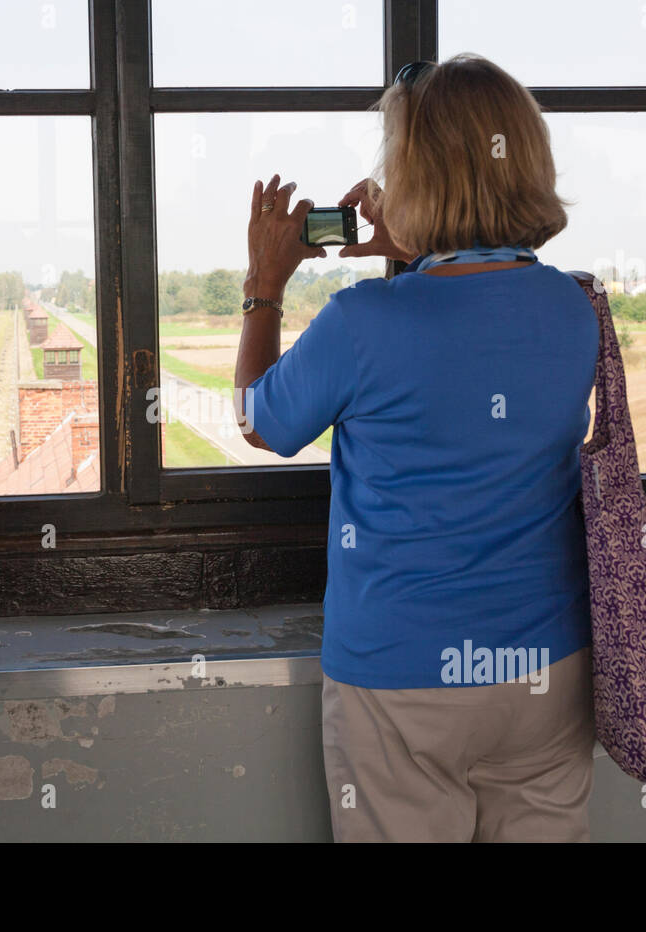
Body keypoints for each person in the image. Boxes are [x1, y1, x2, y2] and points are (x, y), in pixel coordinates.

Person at [234, 54, 599, 842]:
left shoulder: (364, 320)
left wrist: (264, 286)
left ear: (414, 176)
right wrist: (412, 245)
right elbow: (473, 303)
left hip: (403, 678)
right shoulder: (575, 308)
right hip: (548, 669)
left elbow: (259, 420)